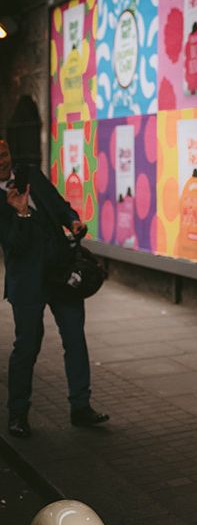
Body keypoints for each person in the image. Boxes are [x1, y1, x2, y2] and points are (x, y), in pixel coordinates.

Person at [0, 139, 109, 438]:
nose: (3, 161)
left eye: (5, 153)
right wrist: (20, 213)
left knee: (75, 339)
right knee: (26, 347)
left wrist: (72, 220)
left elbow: (58, 205)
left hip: (62, 274)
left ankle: (81, 407)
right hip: (27, 283)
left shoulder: (30, 174)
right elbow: (12, 245)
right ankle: (18, 415)